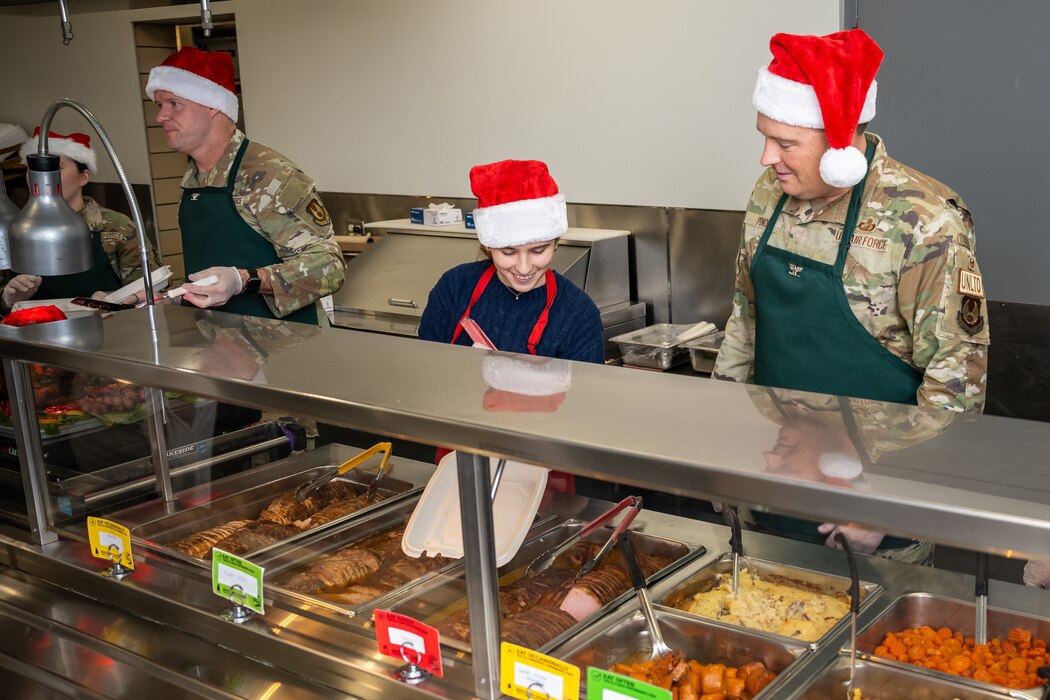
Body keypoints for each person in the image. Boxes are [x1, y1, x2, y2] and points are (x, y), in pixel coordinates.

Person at [713, 29, 990, 413]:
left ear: (838, 145)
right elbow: (745, 322)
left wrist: (873, 453)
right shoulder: (769, 191)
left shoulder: (925, 222)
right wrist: (721, 420)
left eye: (786, 144)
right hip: (775, 451)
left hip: (877, 465)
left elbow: (955, 385)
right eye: (765, 138)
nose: (766, 158)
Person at [144, 47, 344, 324]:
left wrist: (244, 281)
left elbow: (329, 266)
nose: (160, 117)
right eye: (159, 105)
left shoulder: (268, 175)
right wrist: (168, 295)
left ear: (212, 104)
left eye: (173, 104)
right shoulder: (194, 180)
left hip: (288, 348)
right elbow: (213, 272)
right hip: (222, 348)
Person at [418, 159, 603, 362]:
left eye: (538, 250)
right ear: (488, 245)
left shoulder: (578, 313)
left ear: (556, 243)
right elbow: (425, 368)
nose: (523, 268)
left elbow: (586, 392)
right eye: (508, 252)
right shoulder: (455, 286)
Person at [744, 386, 955, 563]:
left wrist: (878, 507)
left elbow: (952, 414)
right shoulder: (772, 425)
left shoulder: (908, 430)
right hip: (760, 529)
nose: (769, 457)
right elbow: (736, 363)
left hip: (879, 548)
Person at [1, 129, 161, 312]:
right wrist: (8, 300)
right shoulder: (16, 228)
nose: (44, 177)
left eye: (57, 168)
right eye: (33, 169)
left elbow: (154, 292)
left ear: (83, 178)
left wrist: (113, 298)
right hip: (36, 334)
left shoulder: (117, 228)